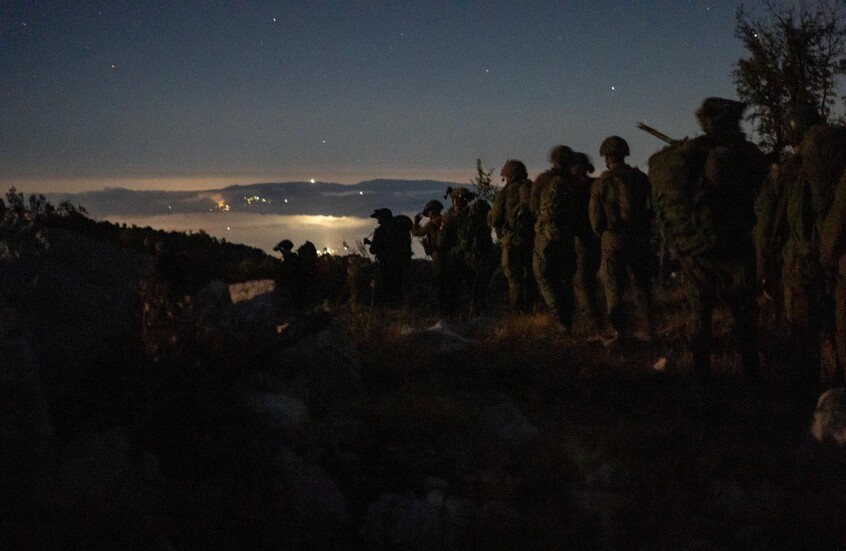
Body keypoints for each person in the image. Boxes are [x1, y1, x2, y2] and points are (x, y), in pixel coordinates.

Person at [649, 97, 767, 387]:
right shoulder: (735, 154)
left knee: (699, 308)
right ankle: (751, 373)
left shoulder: (690, 153)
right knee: (743, 309)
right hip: (733, 243)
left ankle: (702, 375)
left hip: (697, 246)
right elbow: (759, 185)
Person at [589, 136, 655, 346]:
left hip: (613, 238)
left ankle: (621, 333)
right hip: (639, 236)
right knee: (641, 284)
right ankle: (649, 330)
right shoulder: (641, 178)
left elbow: (596, 220)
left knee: (613, 287)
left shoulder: (601, 183)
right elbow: (652, 208)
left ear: (607, 157)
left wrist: (605, 235)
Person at [533, 145, 579, 331]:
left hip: (546, 235)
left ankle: (559, 317)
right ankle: (568, 319)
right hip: (568, 236)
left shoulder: (543, 180)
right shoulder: (575, 182)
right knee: (565, 277)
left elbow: (532, 206)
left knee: (543, 274)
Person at [488, 160, 535, 312]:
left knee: (513, 277)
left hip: (512, 241)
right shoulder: (532, 188)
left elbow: (495, 219)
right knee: (530, 275)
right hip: (531, 240)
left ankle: (516, 311)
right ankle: (532, 309)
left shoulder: (506, 192)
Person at [570, 152, 604, 330]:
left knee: (582, 280)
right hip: (600, 237)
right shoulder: (597, 184)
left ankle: (594, 321)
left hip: (583, 238)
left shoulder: (574, 187)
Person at [365, 208, 412, 307]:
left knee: (387, 287)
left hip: (386, 264)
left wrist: (371, 245)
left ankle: (390, 308)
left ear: (383, 218)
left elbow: (373, 250)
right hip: (403, 262)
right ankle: (400, 308)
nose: (378, 220)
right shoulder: (401, 229)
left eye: (379, 218)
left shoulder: (381, 230)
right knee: (400, 287)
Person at [413, 199, 447, 307]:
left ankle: (440, 307)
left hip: (437, 255)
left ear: (431, 211)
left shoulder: (432, 223)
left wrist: (416, 222)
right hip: (447, 254)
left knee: (438, 281)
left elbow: (417, 233)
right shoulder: (445, 220)